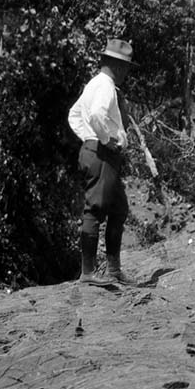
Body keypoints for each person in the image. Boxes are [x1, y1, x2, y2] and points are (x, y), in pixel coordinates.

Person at [68, 38, 134, 285]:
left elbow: (74, 115)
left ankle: (114, 269)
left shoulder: (93, 84)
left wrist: (87, 137)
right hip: (102, 154)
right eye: (126, 68)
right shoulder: (105, 86)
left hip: (93, 149)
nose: (126, 73)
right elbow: (96, 114)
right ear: (118, 66)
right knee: (95, 209)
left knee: (118, 208)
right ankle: (88, 273)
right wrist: (104, 140)